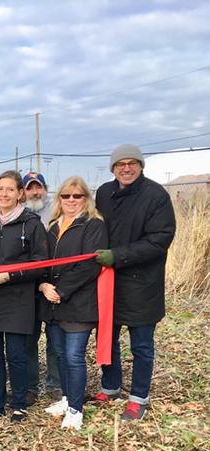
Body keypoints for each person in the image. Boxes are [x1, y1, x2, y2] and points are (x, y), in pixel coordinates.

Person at [93, 144, 176, 420]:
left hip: (143, 282)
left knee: (141, 345)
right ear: (113, 168)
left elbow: (159, 239)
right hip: (110, 280)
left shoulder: (155, 195)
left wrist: (118, 255)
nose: (126, 168)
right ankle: (111, 385)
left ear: (140, 166)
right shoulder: (105, 193)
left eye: (132, 163)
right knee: (108, 338)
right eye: (120, 164)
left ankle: (139, 397)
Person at [0, 170, 48, 423]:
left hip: (17, 298)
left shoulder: (31, 223)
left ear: (19, 194)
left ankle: (19, 405)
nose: (4, 194)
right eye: (0, 189)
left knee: (16, 354)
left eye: (10, 190)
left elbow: (40, 264)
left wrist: (8, 276)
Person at [38, 177, 108, 431]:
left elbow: (89, 264)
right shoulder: (53, 226)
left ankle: (76, 409)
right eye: (66, 196)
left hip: (78, 303)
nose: (71, 200)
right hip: (52, 303)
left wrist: (62, 290)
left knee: (74, 356)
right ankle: (67, 399)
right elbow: (42, 262)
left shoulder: (93, 225)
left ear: (85, 199)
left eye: (76, 196)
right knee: (59, 355)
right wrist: (44, 286)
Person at [22, 171, 61, 405]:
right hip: (29, 285)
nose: (35, 192)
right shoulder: (21, 216)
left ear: (45, 189)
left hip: (54, 283)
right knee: (28, 337)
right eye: (30, 188)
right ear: (23, 192)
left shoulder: (57, 213)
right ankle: (30, 386)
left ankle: (55, 384)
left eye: (39, 187)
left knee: (55, 337)